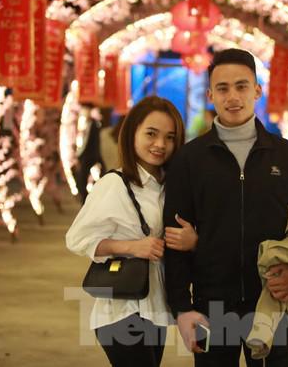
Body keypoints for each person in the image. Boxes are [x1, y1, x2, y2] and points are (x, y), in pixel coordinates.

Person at [163, 48, 288, 366]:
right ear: (210, 95)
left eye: (241, 86)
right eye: (222, 88)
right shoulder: (190, 159)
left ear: (257, 90)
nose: (232, 97)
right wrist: (182, 308)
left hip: (273, 299)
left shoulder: (287, 155)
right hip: (212, 303)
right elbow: (174, 238)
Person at [66, 96, 199, 367]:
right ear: (132, 133)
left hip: (156, 307)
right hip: (122, 310)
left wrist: (192, 240)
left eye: (170, 137)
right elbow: (77, 239)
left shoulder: (170, 186)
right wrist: (131, 247)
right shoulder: (115, 184)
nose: (160, 144)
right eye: (151, 134)